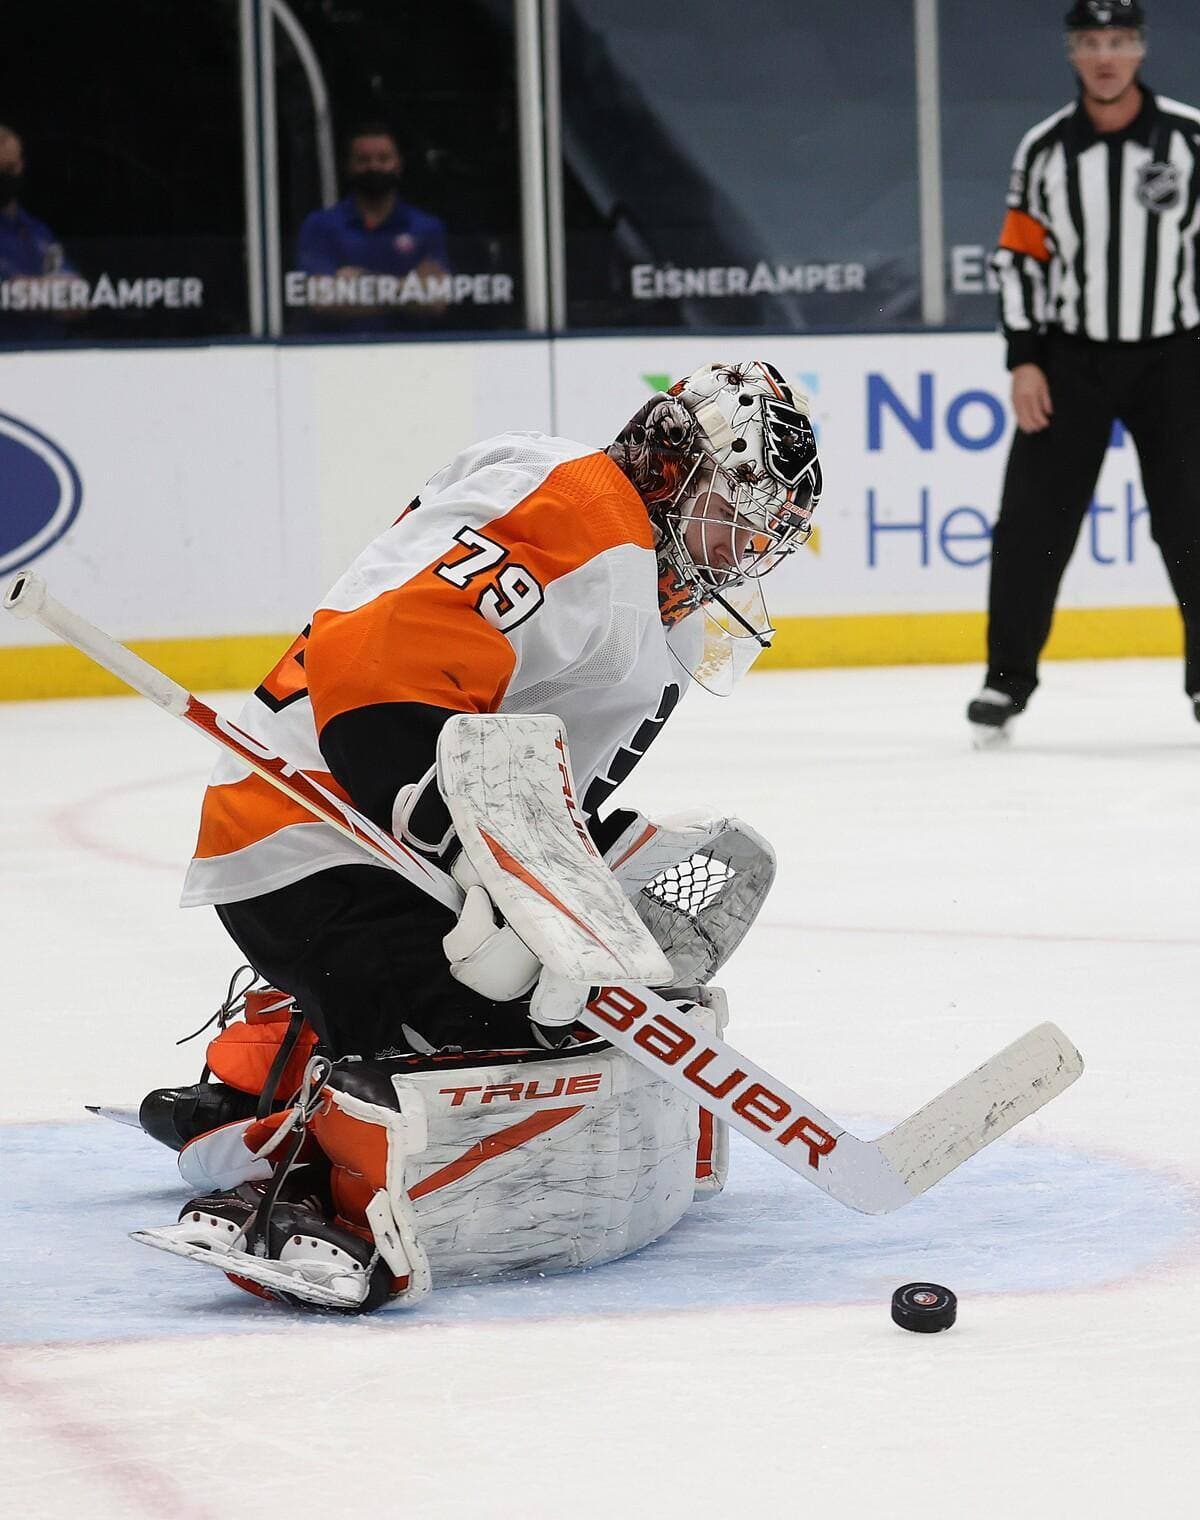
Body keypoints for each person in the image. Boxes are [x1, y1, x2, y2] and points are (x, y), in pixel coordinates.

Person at [134, 361, 822, 1312]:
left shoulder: (583, 516)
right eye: (735, 515)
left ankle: (258, 1070)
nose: (743, 553)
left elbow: (514, 765)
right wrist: (498, 886)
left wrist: (542, 888)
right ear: (675, 467)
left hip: (336, 835)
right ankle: (305, 1183)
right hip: (331, 843)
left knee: (553, 1006)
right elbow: (377, 684)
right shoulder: (591, 522)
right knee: (516, 1048)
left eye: (763, 536)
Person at [967, 0, 1200, 742]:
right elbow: (1019, 260)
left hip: (1177, 359)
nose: (1106, 56)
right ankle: (1006, 683)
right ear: (1073, 52)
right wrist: (1026, 359)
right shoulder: (1043, 151)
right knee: (1032, 526)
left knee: (1193, 525)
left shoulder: (1191, 139)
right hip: (1072, 362)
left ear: (1140, 50)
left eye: (1119, 41)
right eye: (1092, 42)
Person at [294, 123, 450, 330]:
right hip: (333, 353)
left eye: (383, 159)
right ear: (348, 166)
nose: (374, 167)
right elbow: (322, 300)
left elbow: (435, 302)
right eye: (363, 160)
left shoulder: (426, 227)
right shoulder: (320, 225)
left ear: (398, 164)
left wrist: (362, 281)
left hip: (410, 352)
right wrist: (407, 291)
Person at [0, 124, 78, 342]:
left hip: (47, 357)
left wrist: (28, 289)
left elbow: (77, 296)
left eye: (10, 168)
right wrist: (50, 292)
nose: (6, 176)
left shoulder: (36, 231)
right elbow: (13, 296)